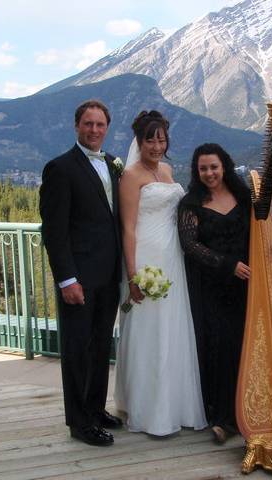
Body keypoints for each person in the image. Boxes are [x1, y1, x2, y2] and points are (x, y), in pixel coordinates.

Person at [114, 110, 207, 436]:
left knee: (173, 329)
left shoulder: (167, 170)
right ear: (139, 142)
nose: (156, 145)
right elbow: (127, 228)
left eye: (161, 139)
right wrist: (133, 272)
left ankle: (174, 405)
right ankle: (147, 410)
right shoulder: (131, 176)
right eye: (150, 139)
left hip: (173, 258)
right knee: (148, 333)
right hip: (146, 258)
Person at [39, 99, 123, 447]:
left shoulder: (113, 165)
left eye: (100, 124)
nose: (93, 130)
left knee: (101, 346)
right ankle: (79, 422)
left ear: (107, 128)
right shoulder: (60, 168)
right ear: (76, 126)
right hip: (80, 278)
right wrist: (67, 279)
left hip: (108, 275)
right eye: (87, 124)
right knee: (76, 350)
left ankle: (95, 408)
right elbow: (54, 231)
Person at [177, 143, 251, 444]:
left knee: (244, 347)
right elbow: (189, 245)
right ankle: (223, 417)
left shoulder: (243, 196)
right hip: (211, 287)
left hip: (247, 285)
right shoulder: (191, 203)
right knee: (220, 349)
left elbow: (260, 231)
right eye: (203, 168)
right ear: (197, 171)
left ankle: (250, 410)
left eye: (214, 167)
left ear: (225, 167)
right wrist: (227, 265)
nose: (209, 173)